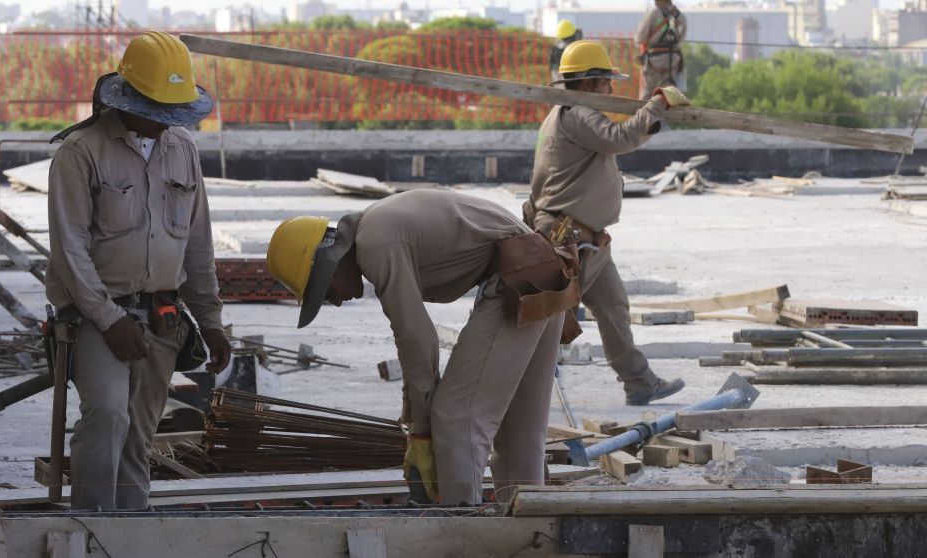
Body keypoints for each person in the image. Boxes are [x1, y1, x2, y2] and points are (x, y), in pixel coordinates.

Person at [267, 189, 579, 505]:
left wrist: (421, 432)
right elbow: (413, 347)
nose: (334, 302)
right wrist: (415, 415)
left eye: (324, 292)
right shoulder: (376, 227)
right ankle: (531, 526)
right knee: (519, 434)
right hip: (543, 273)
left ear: (329, 264)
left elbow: (416, 339)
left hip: (519, 279)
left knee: (457, 417)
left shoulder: (376, 245)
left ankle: (461, 524)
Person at [46, 31, 232, 511]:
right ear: (127, 97)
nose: (167, 121)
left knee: (139, 435)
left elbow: (197, 244)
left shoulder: (182, 149)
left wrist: (211, 322)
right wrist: (110, 320)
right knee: (108, 415)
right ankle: (90, 526)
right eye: (158, 109)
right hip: (95, 316)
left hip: (162, 317)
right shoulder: (80, 153)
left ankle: (129, 528)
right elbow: (70, 251)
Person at [526, 40, 690, 406]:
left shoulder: (560, 114)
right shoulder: (579, 114)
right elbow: (621, 137)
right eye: (605, 82)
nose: (611, 90)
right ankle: (520, 388)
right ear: (587, 83)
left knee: (614, 308)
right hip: (571, 237)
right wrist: (656, 106)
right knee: (550, 320)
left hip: (585, 238)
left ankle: (640, 382)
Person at [634, 0, 688, 100]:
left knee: (647, 95)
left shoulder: (654, 13)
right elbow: (681, 39)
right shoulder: (681, 16)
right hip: (674, 61)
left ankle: (645, 110)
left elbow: (640, 37)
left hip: (654, 59)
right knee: (670, 96)